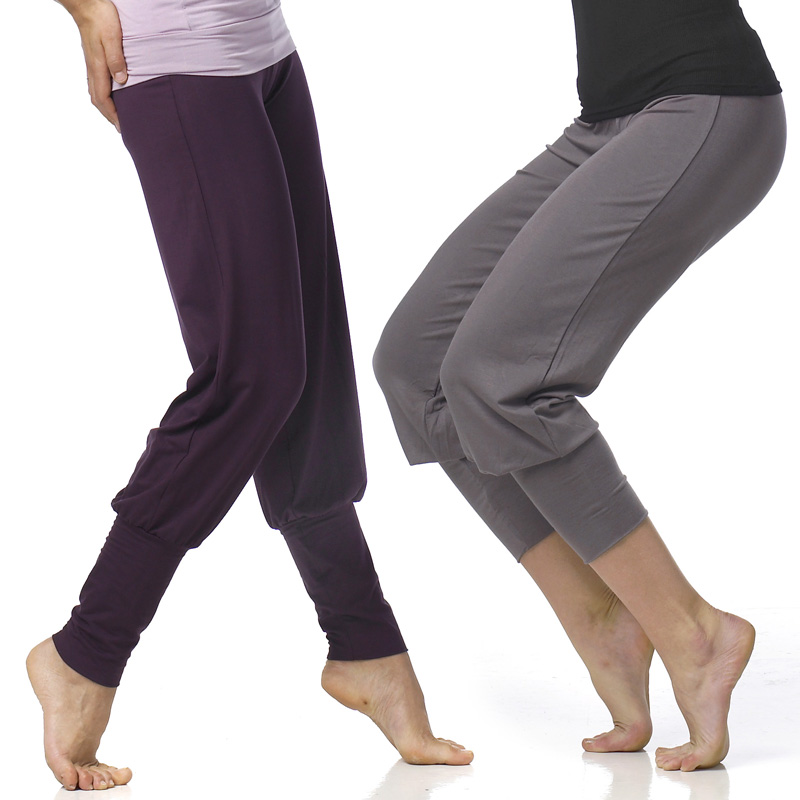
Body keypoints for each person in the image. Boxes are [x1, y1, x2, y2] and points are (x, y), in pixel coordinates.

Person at [27, 0, 473, 792]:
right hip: (175, 56)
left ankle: (364, 645)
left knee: (309, 370)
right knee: (252, 373)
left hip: (265, 50)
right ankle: (87, 649)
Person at [373, 0, 785, 773]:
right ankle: (603, 620)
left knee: (497, 375)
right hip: (609, 122)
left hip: (707, 102)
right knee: (416, 363)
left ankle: (695, 633)